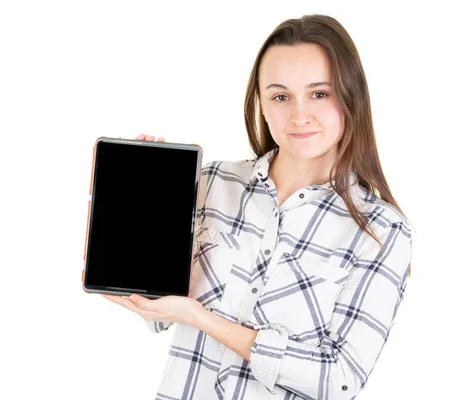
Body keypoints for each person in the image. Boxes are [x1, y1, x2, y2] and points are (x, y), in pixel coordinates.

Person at [99, 14, 414, 400]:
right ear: (261, 104)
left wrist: (201, 318)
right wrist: (137, 210)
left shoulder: (380, 230)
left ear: (351, 97)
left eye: (319, 93)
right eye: (280, 96)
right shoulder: (213, 183)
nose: (299, 115)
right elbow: (161, 308)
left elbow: (339, 379)